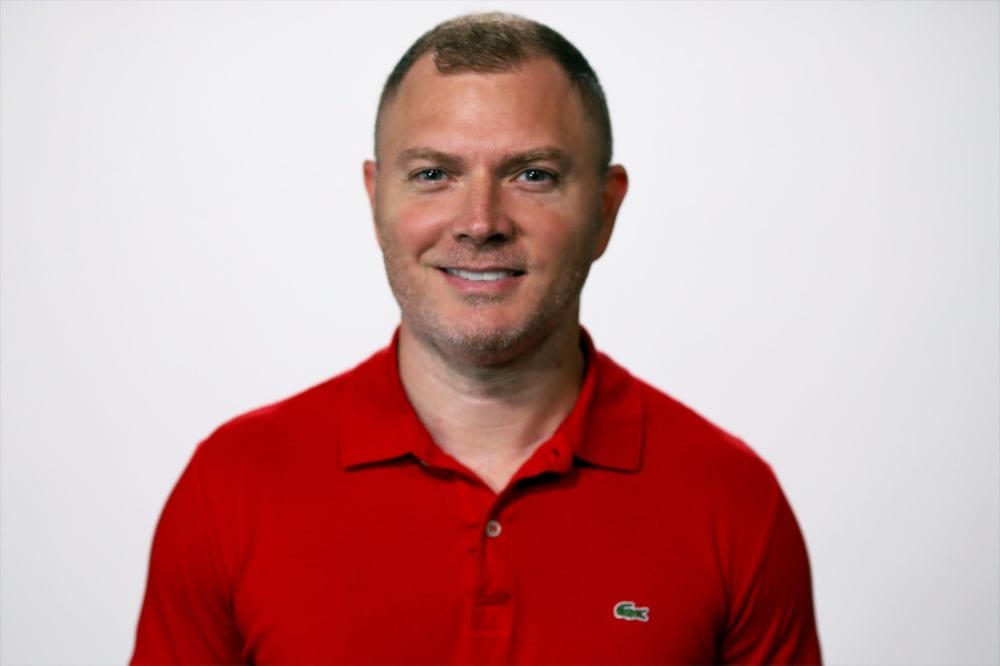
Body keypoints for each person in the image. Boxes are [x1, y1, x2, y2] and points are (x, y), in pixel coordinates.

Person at [131, 12, 821, 665]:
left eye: (533, 175)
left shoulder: (732, 500)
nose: (481, 222)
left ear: (605, 210)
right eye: (434, 174)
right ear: (376, 200)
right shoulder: (233, 487)